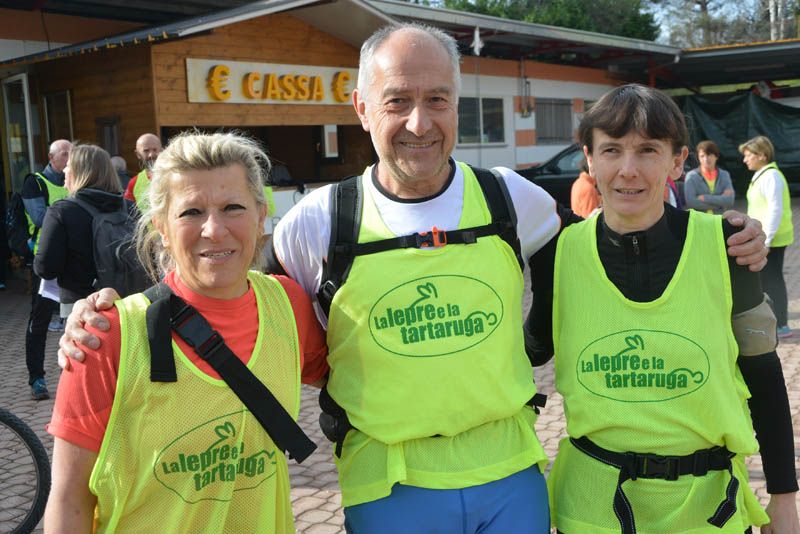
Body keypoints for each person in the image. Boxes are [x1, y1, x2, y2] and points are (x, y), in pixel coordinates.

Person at [59, 25, 768, 533]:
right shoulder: (317, 221)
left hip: (512, 476)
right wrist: (111, 315)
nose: (419, 122)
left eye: (438, 99)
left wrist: (729, 235)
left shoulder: (514, 201)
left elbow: (602, 263)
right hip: (389, 486)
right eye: (397, 100)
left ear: (458, 103)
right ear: (362, 108)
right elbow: (235, 304)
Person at [527, 84, 797, 534]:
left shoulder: (727, 247)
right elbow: (531, 351)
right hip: (593, 508)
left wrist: (784, 496)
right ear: (589, 159)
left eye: (648, 150)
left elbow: (765, 376)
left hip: (707, 511)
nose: (628, 170)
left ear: (677, 161)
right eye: (611, 150)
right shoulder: (560, 251)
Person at [43, 132, 328, 533]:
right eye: (191, 212)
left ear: (261, 215)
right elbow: (69, 498)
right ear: (161, 226)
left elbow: (351, 380)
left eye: (233, 207)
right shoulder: (106, 337)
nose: (214, 229)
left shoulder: (288, 305)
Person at [33, 144, 123, 318]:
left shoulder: (62, 211)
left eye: (68, 166)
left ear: (78, 173)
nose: (64, 170)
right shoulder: (129, 207)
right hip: (126, 303)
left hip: (80, 308)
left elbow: (45, 268)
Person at [22, 138, 71, 400]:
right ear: (52, 158)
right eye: (65, 154)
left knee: (75, 318)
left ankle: (75, 380)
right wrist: (72, 209)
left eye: (72, 153)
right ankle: (37, 378)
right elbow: (40, 218)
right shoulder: (36, 183)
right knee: (40, 321)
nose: (69, 158)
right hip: (46, 263)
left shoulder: (75, 180)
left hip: (72, 260)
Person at [740, 135, 795, 339]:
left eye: (749, 155)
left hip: (771, 239)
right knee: (767, 280)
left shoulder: (771, 176)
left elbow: (775, 210)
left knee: (773, 280)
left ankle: (782, 326)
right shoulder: (762, 175)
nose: (745, 160)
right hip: (763, 238)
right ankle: (776, 323)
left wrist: (767, 240)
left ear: (762, 155)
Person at [685, 140, 735, 214]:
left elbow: (729, 201)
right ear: (698, 158)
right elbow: (691, 203)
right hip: (699, 220)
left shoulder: (724, 175)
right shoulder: (691, 176)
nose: (706, 159)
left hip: (719, 219)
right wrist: (721, 204)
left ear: (716, 156)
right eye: (702, 156)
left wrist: (705, 198)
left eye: (709, 155)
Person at [123, 133, 162, 212]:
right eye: (146, 151)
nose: (151, 155)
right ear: (138, 154)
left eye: (155, 150)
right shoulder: (134, 183)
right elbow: (127, 212)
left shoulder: (175, 176)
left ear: (162, 151)